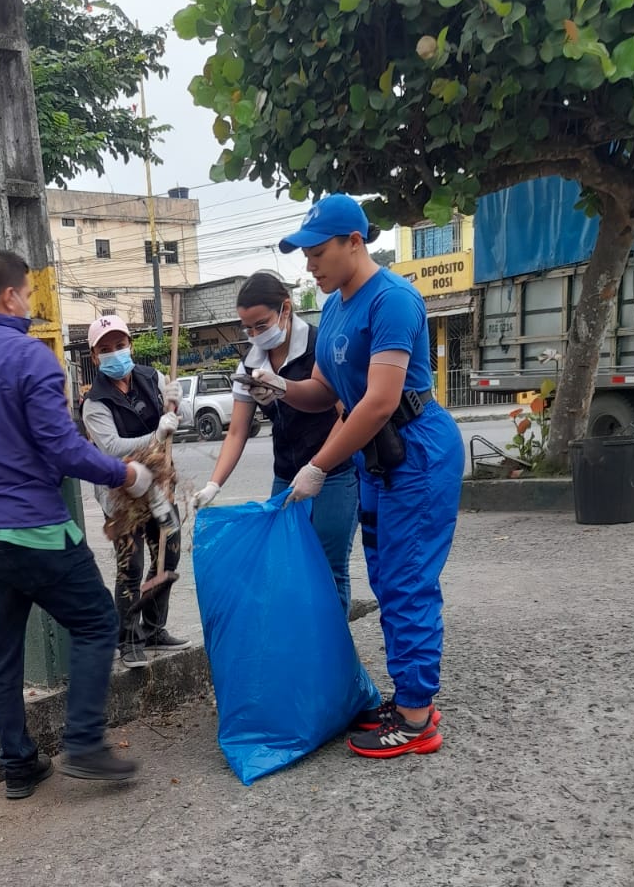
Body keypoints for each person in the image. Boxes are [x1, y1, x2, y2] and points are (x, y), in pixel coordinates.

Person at [0, 249, 154, 797]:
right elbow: (63, 448)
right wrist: (126, 473)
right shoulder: (30, 357)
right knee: (96, 621)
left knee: (2, 649)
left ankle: (18, 764)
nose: (29, 304)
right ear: (9, 296)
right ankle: (84, 743)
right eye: (26, 295)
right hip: (33, 528)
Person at [250, 194, 465, 760]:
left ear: (354, 242)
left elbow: (379, 402)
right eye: (305, 255)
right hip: (380, 457)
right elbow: (324, 391)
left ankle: (416, 720)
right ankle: (411, 697)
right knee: (388, 577)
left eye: (318, 253)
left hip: (415, 451)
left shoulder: (393, 300)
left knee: (407, 579)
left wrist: (318, 465)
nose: (310, 265)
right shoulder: (335, 308)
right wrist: (279, 387)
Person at [194, 271, 358, 614]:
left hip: (334, 472)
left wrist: (319, 467)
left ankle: (334, 646)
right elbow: (237, 431)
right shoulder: (250, 363)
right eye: (248, 328)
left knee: (328, 568)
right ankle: (302, 642)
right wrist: (214, 484)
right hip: (286, 475)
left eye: (261, 325)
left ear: (285, 309)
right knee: (286, 566)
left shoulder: (318, 346)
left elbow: (345, 414)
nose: (255, 335)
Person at [81, 316, 190, 666]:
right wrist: (157, 435)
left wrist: (177, 402)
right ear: (95, 356)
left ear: (130, 344)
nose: (115, 353)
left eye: (120, 345)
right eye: (105, 348)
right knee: (131, 564)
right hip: (120, 492)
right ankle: (127, 639)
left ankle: (154, 628)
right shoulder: (94, 403)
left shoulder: (152, 377)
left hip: (158, 487)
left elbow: (179, 419)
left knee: (168, 552)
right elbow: (113, 448)